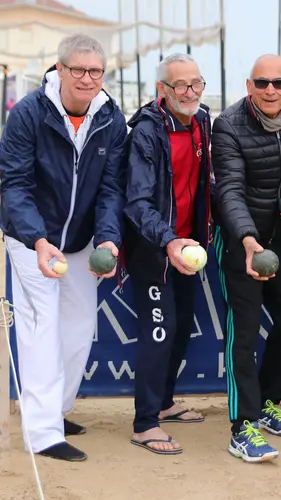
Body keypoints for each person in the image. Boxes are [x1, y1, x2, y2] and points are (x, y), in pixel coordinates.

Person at [0, 34, 126, 462]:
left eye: (95, 72)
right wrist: (36, 239)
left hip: (80, 242)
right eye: (78, 70)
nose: (87, 79)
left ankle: (55, 408)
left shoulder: (111, 117)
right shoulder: (29, 114)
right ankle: (43, 433)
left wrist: (108, 237)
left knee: (77, 332)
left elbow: (111, 188)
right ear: (60, 69)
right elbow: (13, 184)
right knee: (41, 332)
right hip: (30, 239)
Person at [211, 54, 281, 462]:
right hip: (242, 244)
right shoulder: (228, 125)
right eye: (262, 83)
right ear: (249, 86)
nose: (270, 90)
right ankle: (242, 428)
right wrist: (245, 237)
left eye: (278, 82)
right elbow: (229, 190)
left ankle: (268, 402)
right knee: (244, 332)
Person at [123, 53, 212, 455]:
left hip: (188, 247)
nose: (189, 92)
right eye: (180, 85)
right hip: (154, 248)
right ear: (162, 90)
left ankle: (164, 403)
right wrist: (169, 240)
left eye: (196, 83)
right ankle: (144, 423)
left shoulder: (204, 121)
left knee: (180, 328)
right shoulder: (145, 132)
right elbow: (137, 202)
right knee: (158, 332)